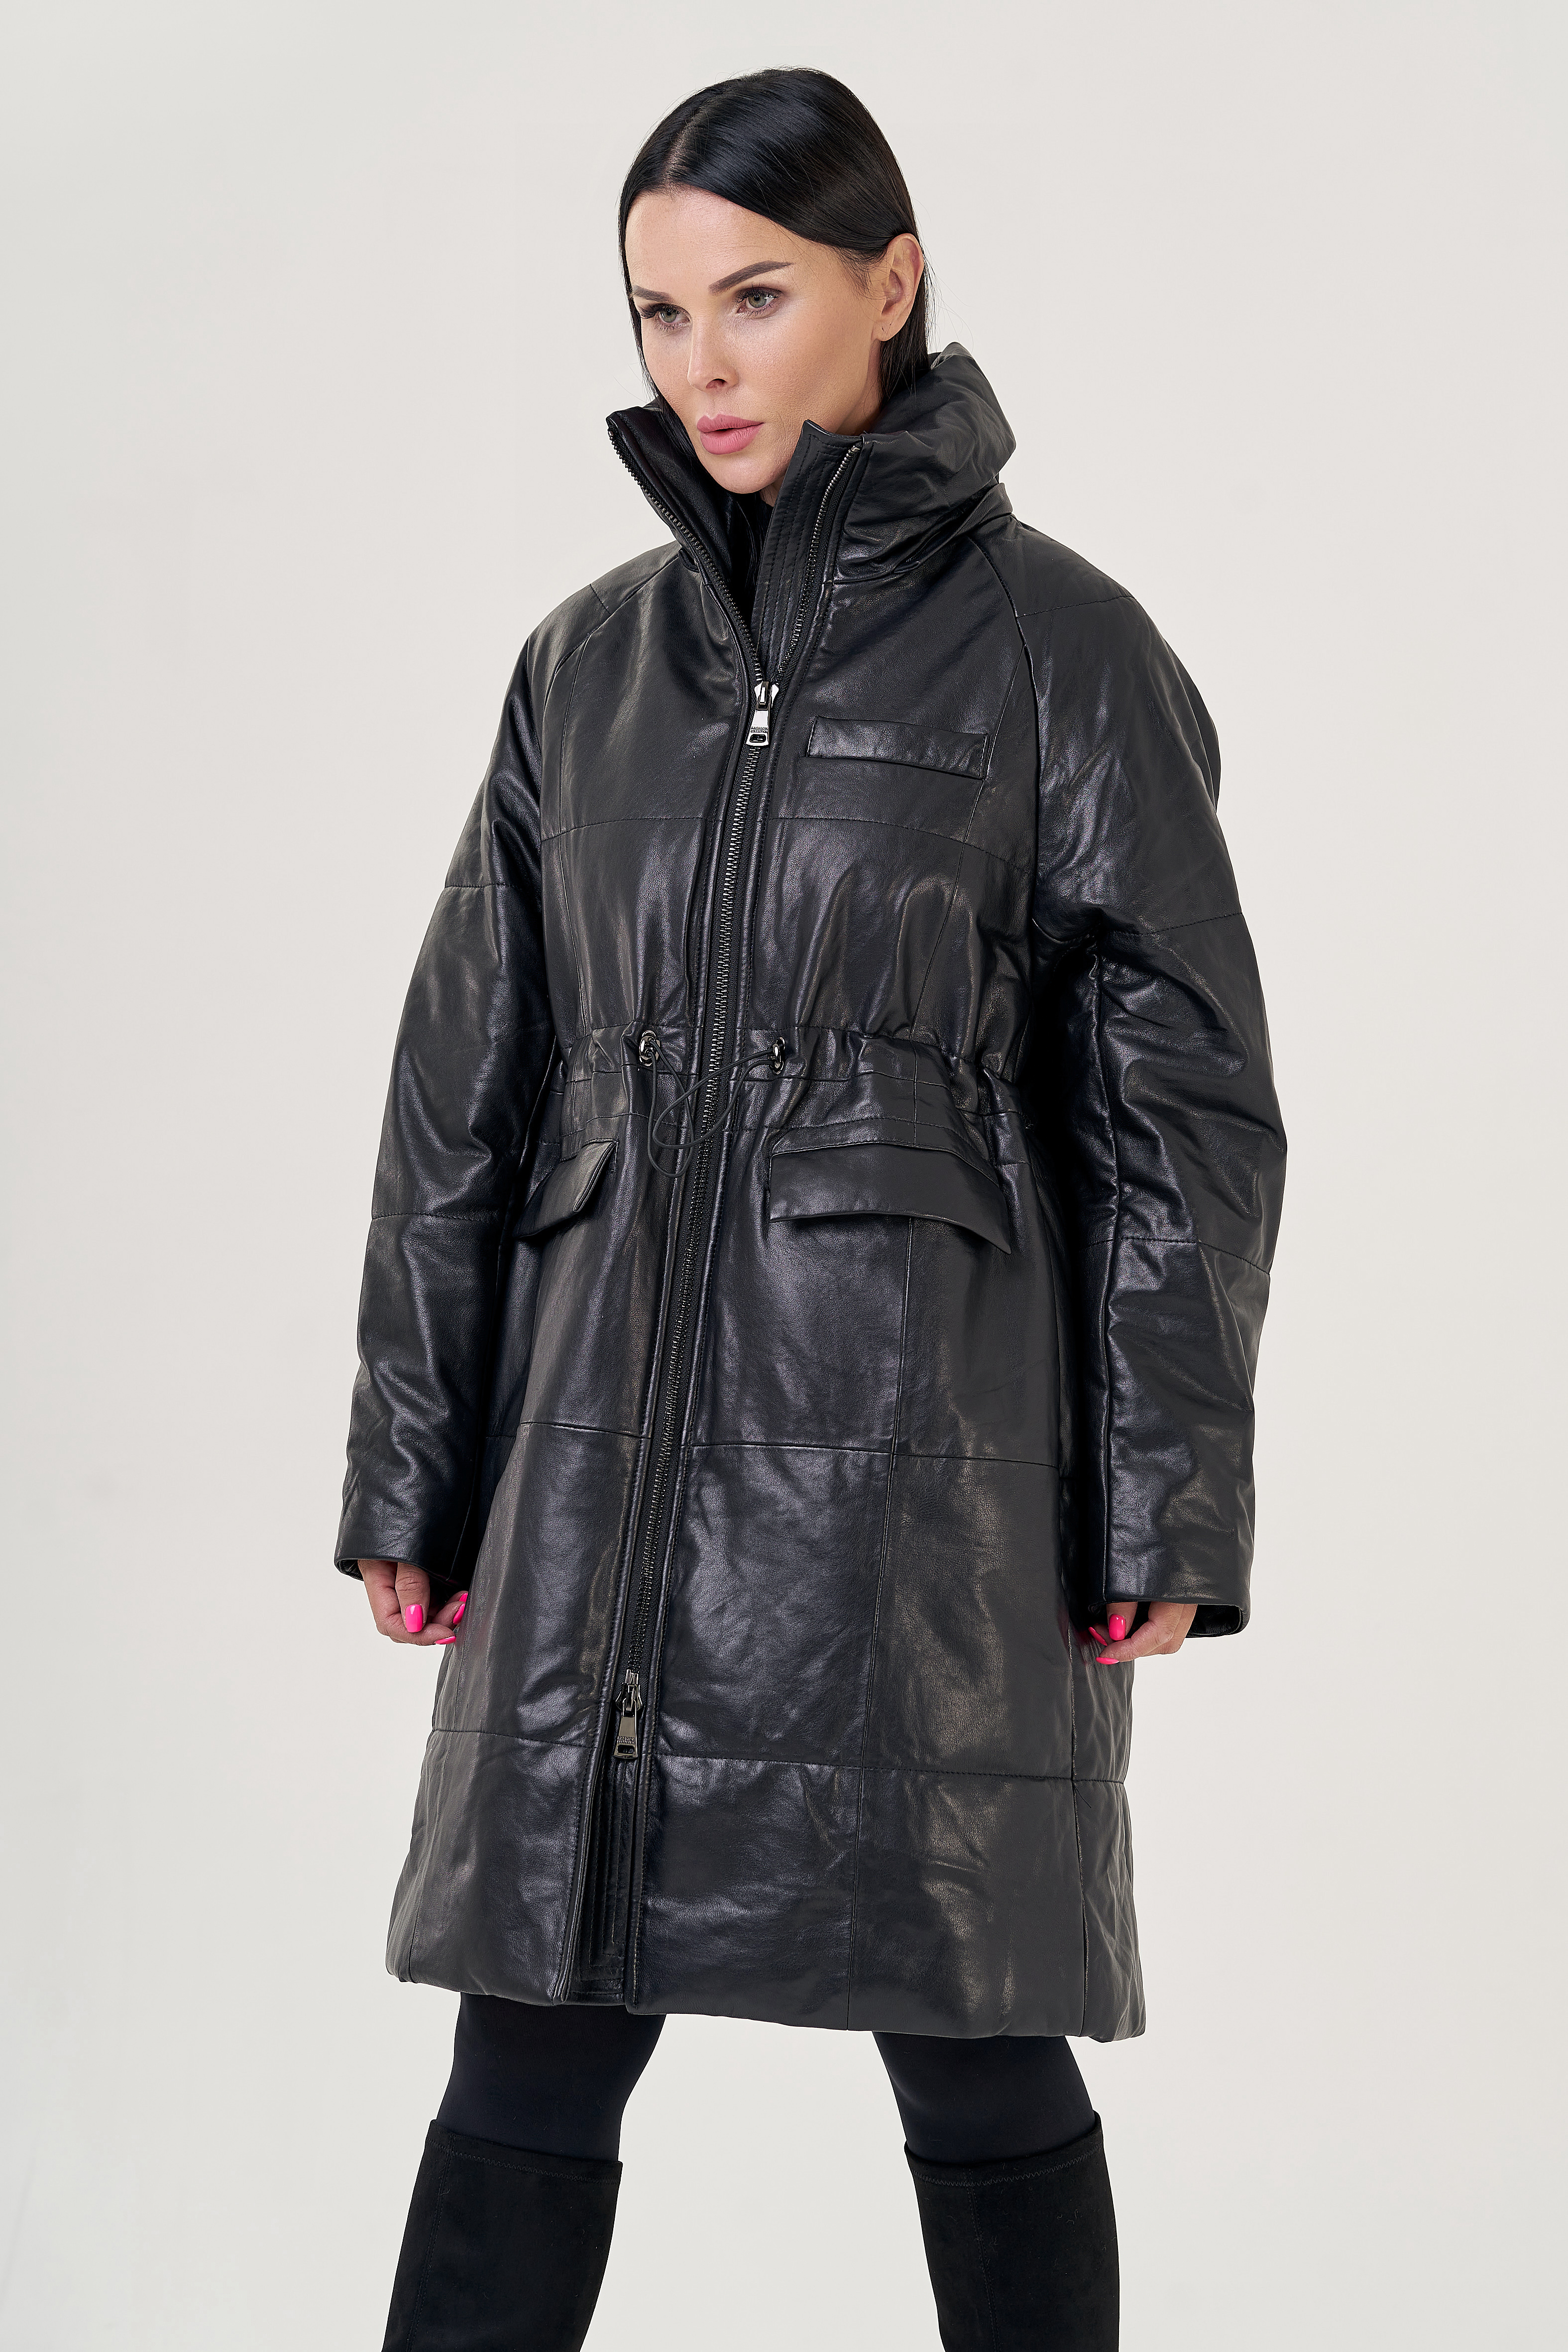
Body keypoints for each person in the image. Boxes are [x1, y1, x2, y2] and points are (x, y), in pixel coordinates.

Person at [336, 66, 1286, 2352]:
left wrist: (1162, 1490)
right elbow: (468, 1087)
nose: (702, 361)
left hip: (918, 1487)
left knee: (971, 2031)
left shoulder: (1063, 652)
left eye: (752, 297)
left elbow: (1177, 1109)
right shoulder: (585, 668)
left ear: (891, 280)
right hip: (587, 1483)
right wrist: (414, 1465)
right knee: (529, 2030)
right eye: (658, 312)